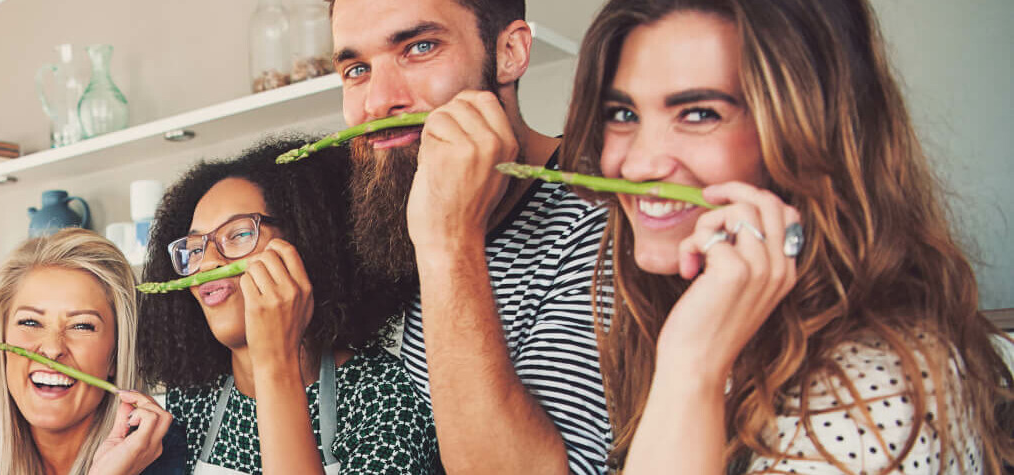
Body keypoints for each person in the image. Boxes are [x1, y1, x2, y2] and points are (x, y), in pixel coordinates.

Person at [556, 0, 1014, 472]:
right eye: (623, 114)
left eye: (698, 113)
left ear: (812, 131)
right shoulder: (716, 324)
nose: (636, 164)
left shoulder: (875, 388)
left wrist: (691, 368)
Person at [330, 0, 611, 472]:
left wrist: (449, 242)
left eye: (419, 47)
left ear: (510, 52)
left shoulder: (609, 218)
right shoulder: (397, 210)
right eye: (357, 69)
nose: (376, 102)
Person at [137, 137, 433, 474]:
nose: (206, 263)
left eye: (239, 234)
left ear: (308, 240)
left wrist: (275, 361)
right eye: (194, 248)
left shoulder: (383, 395)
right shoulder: (192, 396)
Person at [0, 229, 188, 475]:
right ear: (2, 336)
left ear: (115, 354)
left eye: (82, 326)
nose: (52, 349)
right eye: (30, 322)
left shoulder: (158, 451)